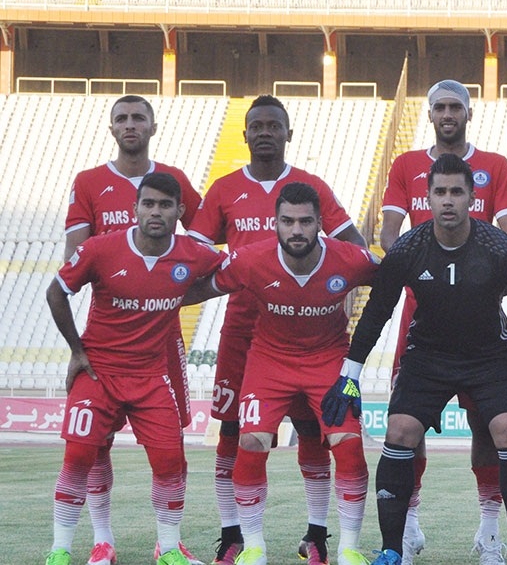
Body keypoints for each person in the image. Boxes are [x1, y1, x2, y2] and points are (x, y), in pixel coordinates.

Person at [322, 153, 507, 565]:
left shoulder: (499, 248)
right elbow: (376, 312)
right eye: (440, 192)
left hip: (489, 356)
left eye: (456, 192)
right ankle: (393, 549)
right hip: (428, 356)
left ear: (471, 198)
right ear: (427, 198)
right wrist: (349, 374)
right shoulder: (409, 248)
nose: (448, 200)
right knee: (400, 430)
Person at [187, 95, 367, 565]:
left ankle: (317, 536)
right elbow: (195, 253)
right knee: (234, 432)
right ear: (245, 133)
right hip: (244, 331)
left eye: (274, 125)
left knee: (314, 428)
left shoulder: (311, 187)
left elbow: (355, 248)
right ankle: (235, 537)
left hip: (311, 328)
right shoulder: (225, 189)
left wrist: (340, 287)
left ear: (289, 133)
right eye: (257, 125)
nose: (265, 132)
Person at [379, 79, 507, 565]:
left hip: (480, 314)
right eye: (439, 106)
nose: (447, 114)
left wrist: (474, 280)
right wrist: (428, 270)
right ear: (429, 114)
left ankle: (489, 531)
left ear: (468, 113)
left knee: (489, 422)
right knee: (408, 424)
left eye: (454, 107)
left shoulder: (495, 166)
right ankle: (409, 527)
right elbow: (388, 235)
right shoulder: (405, 165)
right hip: (421, 313)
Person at [45, 173, 223, 565]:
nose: (156, 212)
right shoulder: (100, 249)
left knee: (171, 463)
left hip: (151, 377)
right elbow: (56, 291)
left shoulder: (193, 253)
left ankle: (169, 549)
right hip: (98, 373)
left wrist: (186, 293)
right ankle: (62, 550)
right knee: (79, 456)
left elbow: (231, 272)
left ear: (179, 211)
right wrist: (76, 350)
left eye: (165, 205)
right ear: (135, 209)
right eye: (148, 204)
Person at [62, 94, 205, 565]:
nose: (130, 125)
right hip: (108, 332)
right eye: (121, 118)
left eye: (138, 117)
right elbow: (74, 258)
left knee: (171, 444)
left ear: (152, 126)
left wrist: (168, 285)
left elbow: (204, 240)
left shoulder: (175, 179)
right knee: (92, 444)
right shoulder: (88, 182)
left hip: (163, 336)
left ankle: (169, 542)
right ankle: (102, 539)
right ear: (111, 128)